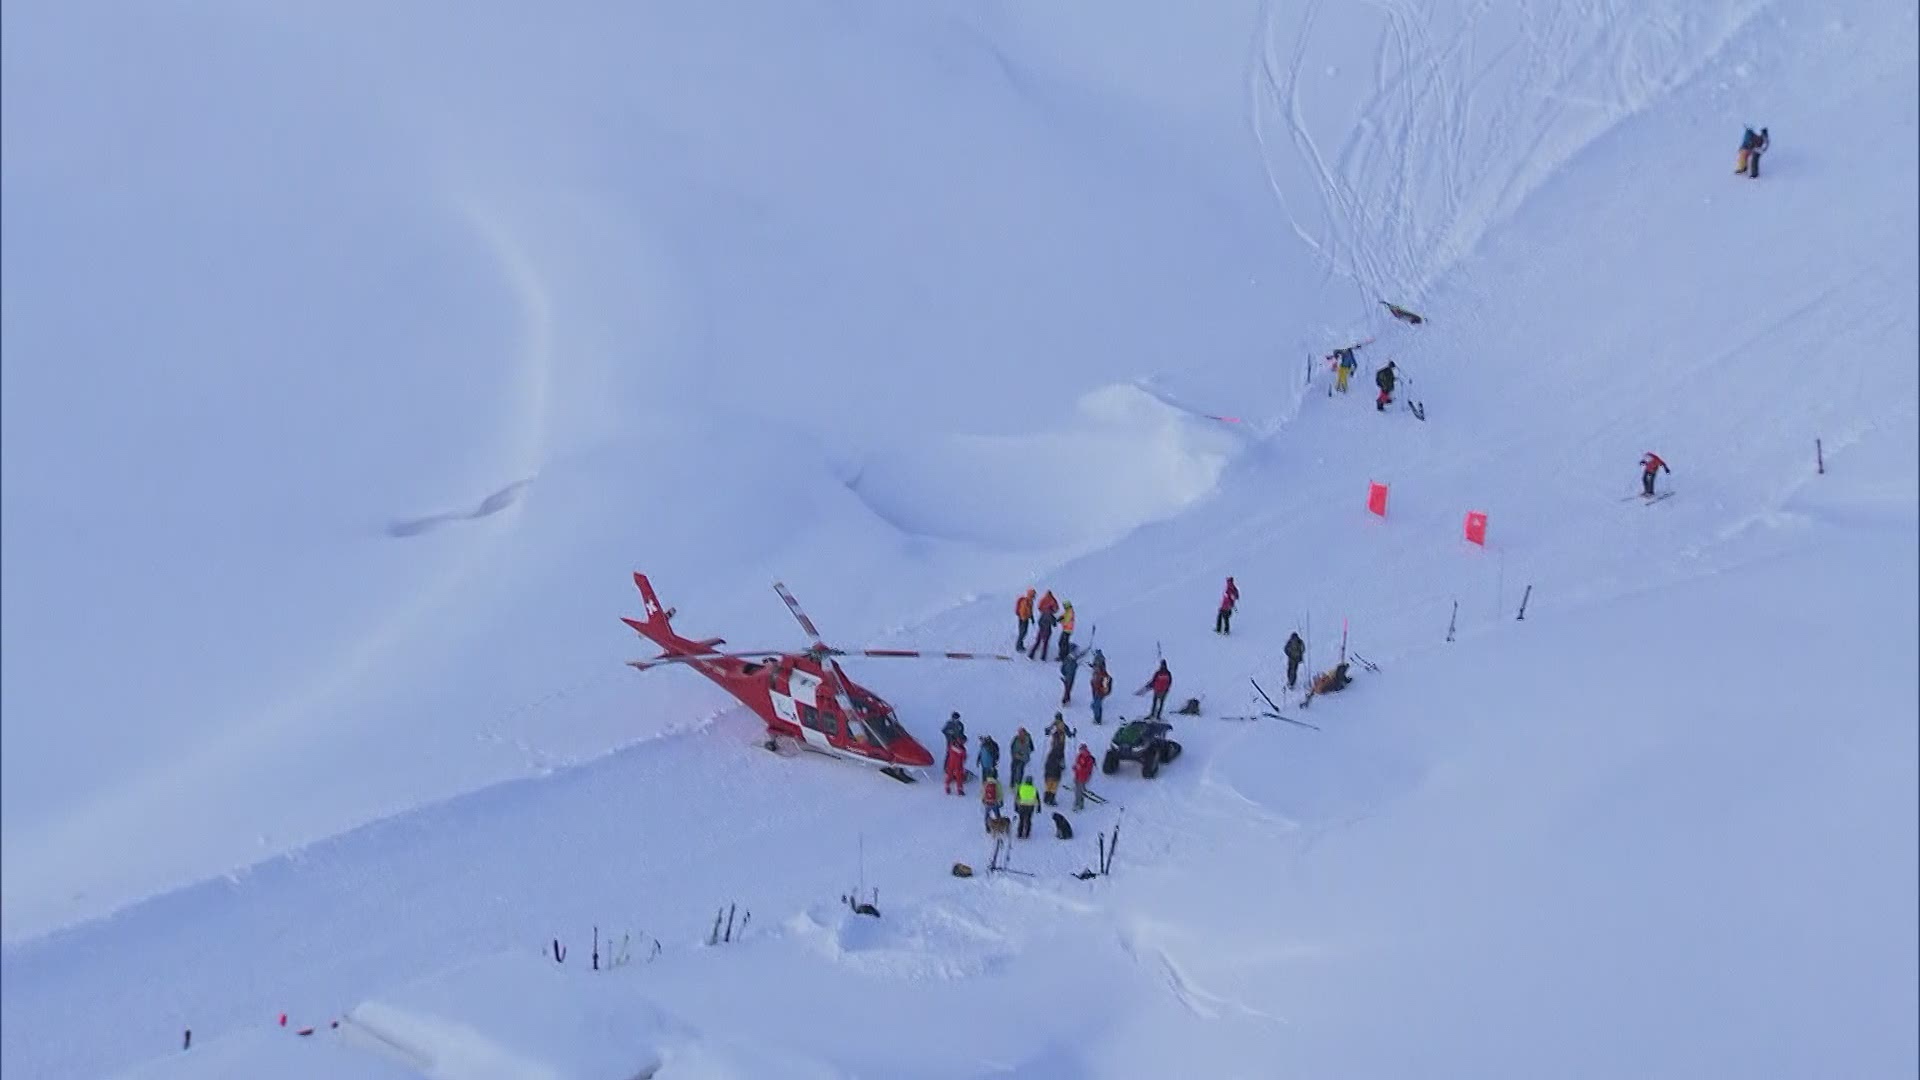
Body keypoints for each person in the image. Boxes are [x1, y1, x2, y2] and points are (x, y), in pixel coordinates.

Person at [1029, 590, 1060, 660]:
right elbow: (1054, 623)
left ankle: (1031, 654)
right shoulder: (1051, 614)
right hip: (1047, 629)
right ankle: (1043, 657)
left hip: (1041, 629)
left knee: (1038, 642)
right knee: (1045, 643)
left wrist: (1041, 626)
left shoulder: (1043, 613)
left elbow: (1039, 622)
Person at [1072, 743, 1097, 811]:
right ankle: (1078, 802)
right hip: (1077, 775)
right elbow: (1077, 764)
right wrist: (1075, 768)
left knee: (1079, 791)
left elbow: (1088, 769)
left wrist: (1080, 768)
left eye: (1082, 750)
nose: (1081, 751)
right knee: (1077, 789)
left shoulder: (1088, 758)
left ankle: (1079, 804)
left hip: (1083, 777)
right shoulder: (1079, 756)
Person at [1042, 736, 1067, 806]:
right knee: (1053, 787)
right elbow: (1061, 765)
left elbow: (1047, 764)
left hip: (1048, 774)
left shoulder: (1050, 755)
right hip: (1055, 774)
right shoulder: (1060, 755)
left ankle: (1046, 798)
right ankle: (1051, 800)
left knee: (1048, 787)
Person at [1089, 660, 1113, 725]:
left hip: (1100, 693)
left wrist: (1100, 691)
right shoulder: (1095, 673)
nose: (1095, 668)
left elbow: (1105, 688)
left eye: (1097, 667)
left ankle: (1097, 720)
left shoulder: (1104, 676)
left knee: (1097, 706)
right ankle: (1098, 718)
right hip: (1095, 692)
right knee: (1097, 705)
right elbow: (1093, 681)